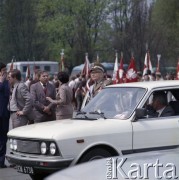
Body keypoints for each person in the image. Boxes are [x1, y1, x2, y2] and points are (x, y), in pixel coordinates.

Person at [0, 62, 10, 168]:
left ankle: (1, 161)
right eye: (3, 70)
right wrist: (1, 82)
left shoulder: (7, 82)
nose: (5, 72)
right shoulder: (3, 82)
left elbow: (7, 95)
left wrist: (4, 82)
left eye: (5, 70)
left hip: (5, 113)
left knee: (3, 138)